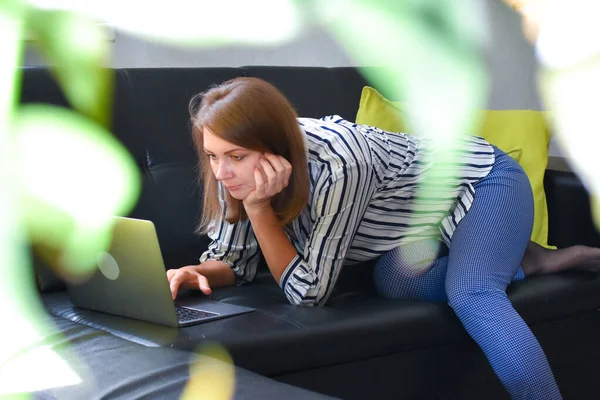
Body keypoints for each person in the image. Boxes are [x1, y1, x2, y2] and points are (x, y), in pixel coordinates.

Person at [167, 77, 600, 399]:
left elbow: (308, 292)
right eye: (213, 157)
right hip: (422, 229)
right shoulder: (236, 168)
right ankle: (524, 260)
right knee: (392, 279)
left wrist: (259, 211)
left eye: (234, 158)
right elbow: (234, 260)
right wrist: (196, 272)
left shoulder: (341, 163)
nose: (222, 173)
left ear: (277, 146)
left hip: (482, 182)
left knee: (471, 292)